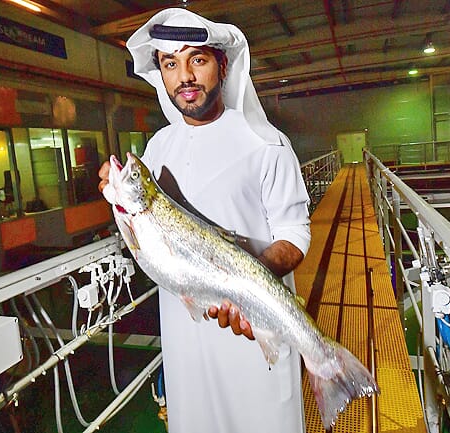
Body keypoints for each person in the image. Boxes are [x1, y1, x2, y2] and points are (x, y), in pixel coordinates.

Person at [98, 8, 311, 433]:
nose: (184, 77)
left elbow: (295, 233)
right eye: (170, 64)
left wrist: (248, 288)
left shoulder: (266, 143)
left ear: (222, 65)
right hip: (184, 339)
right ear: (160, 72)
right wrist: (115, 195)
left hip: (252, 333)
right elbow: (147, 231)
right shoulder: (157, 147)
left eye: (197, 59)